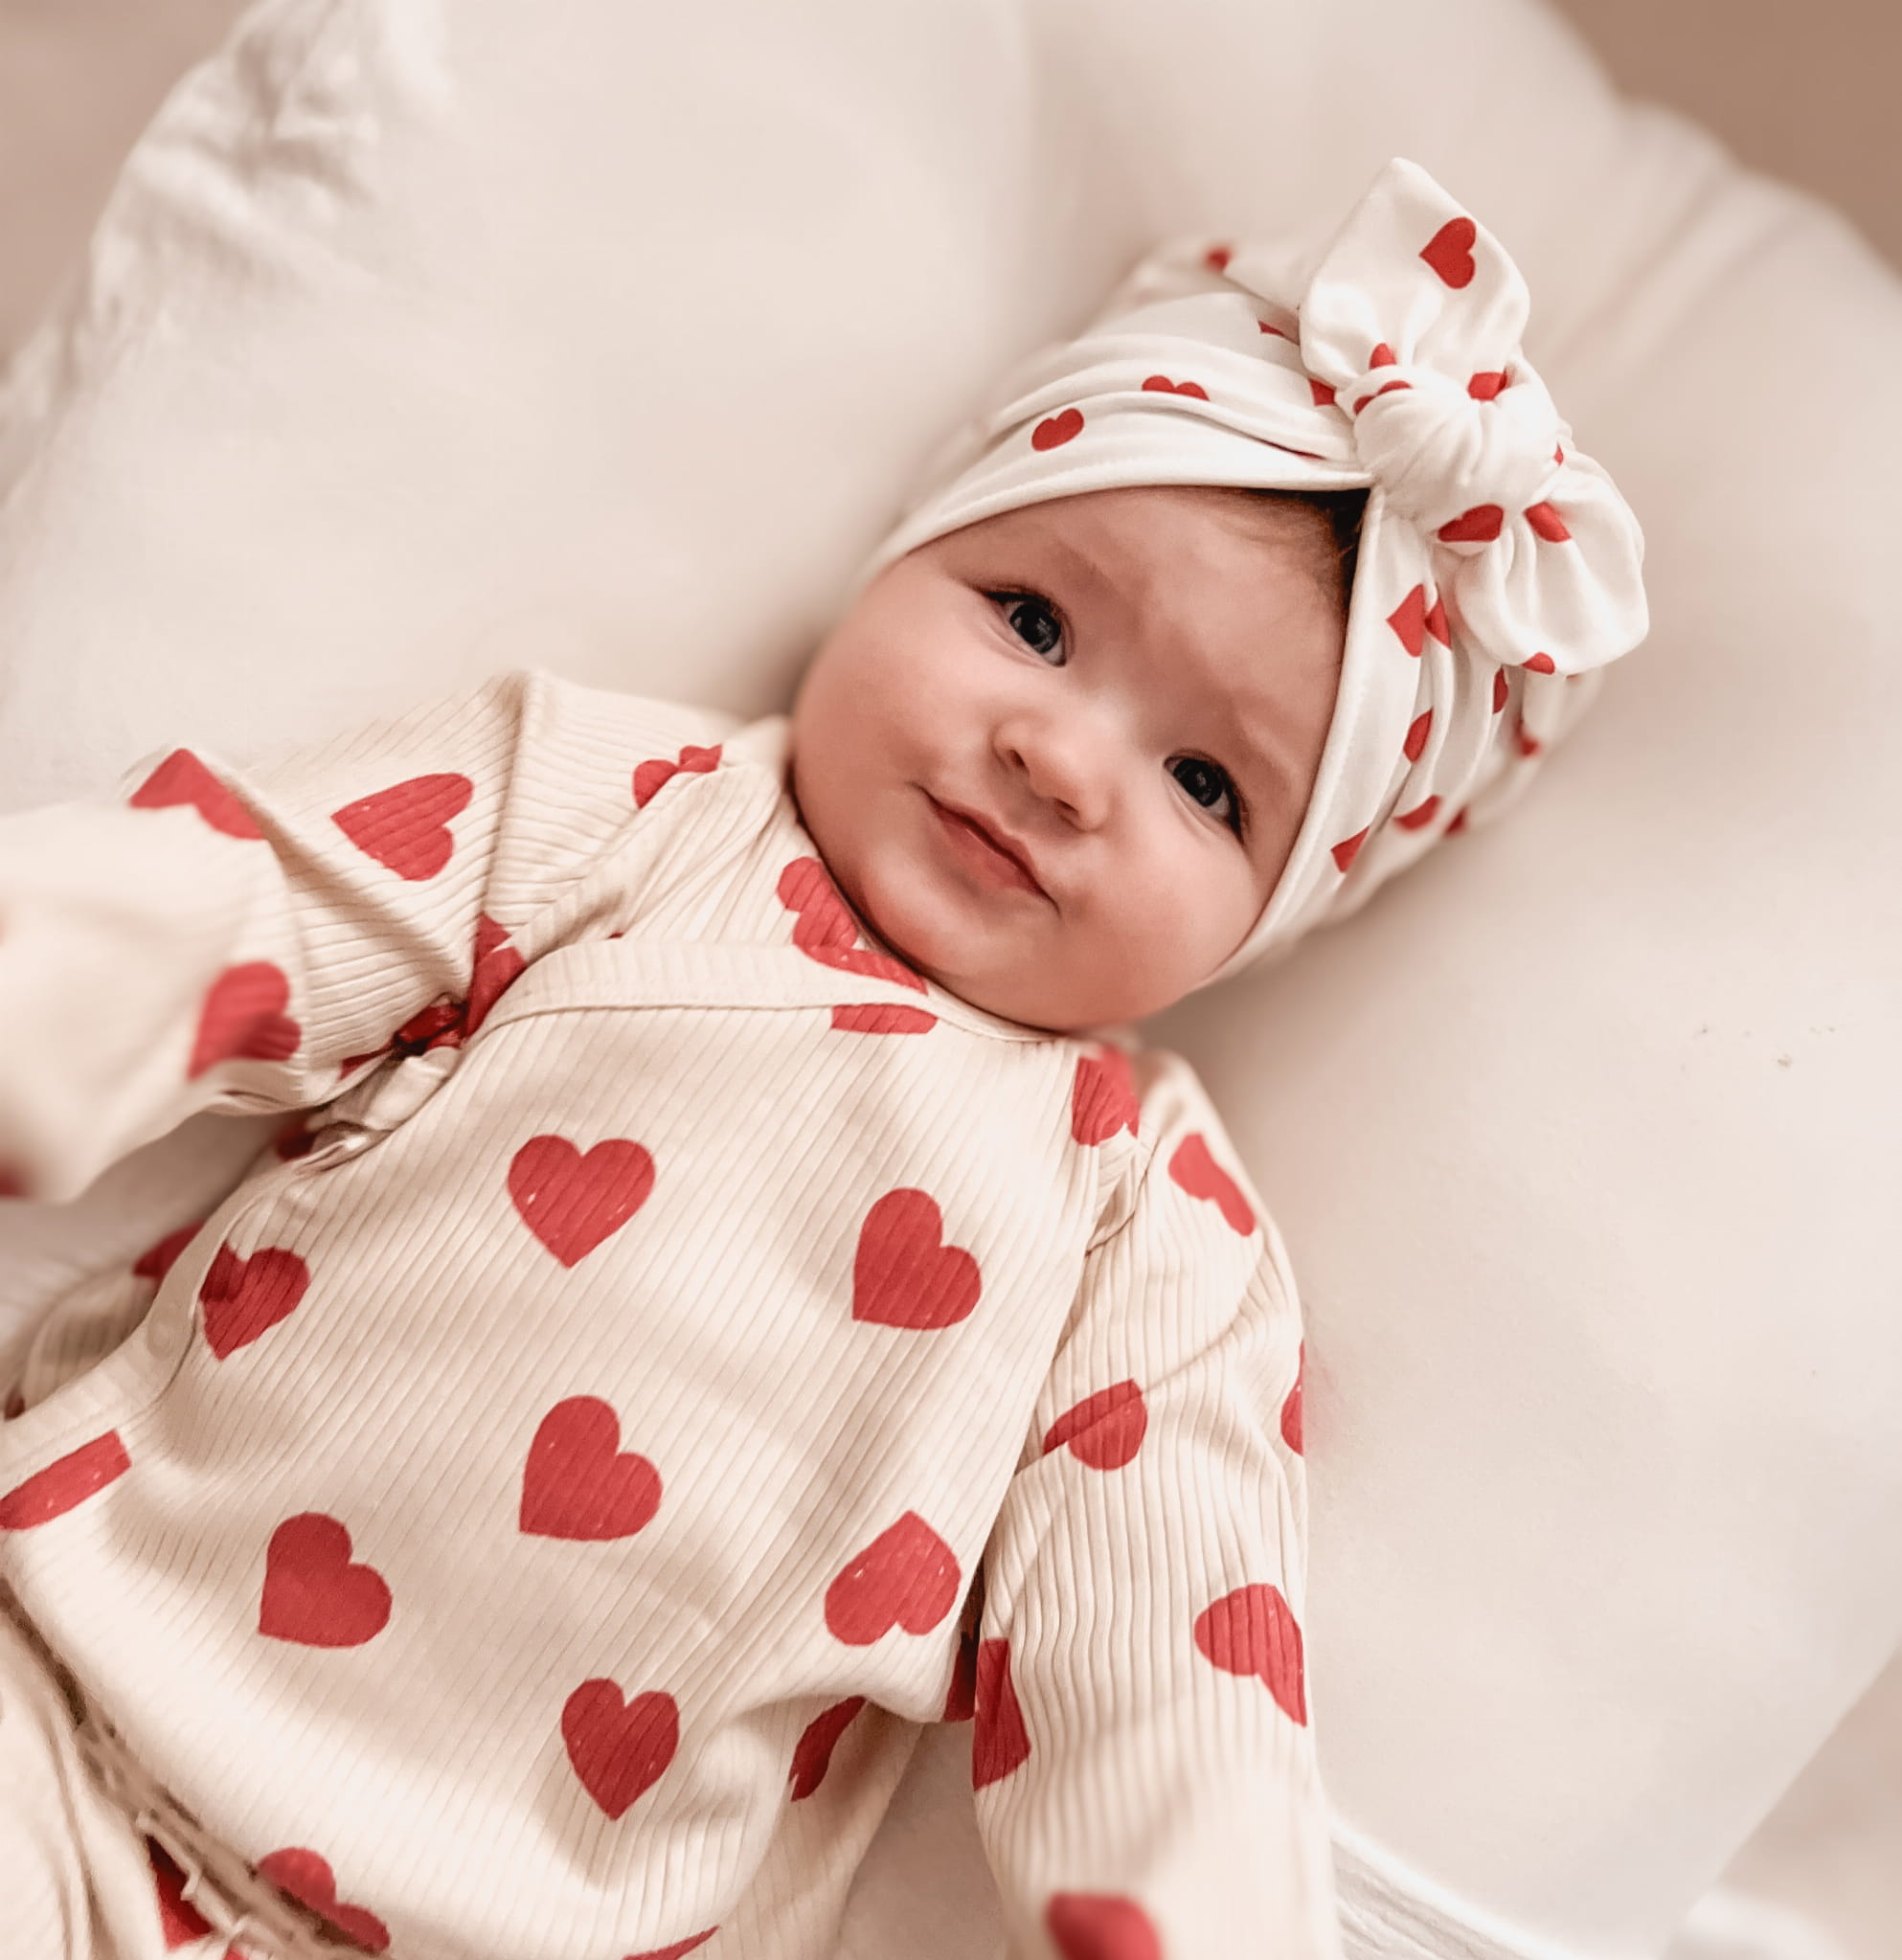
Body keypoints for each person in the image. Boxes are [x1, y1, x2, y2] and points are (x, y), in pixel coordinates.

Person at [0, 159, 1644, 1960]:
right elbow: (247, 898)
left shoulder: (1144, 1233)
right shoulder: (617, 808)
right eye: (1031, 621)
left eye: (1204, 784)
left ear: (1271, 914)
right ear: (912, 548)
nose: (1059, 759)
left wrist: (1189, 1913)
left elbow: (1167, 1666)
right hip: (67, 1692)